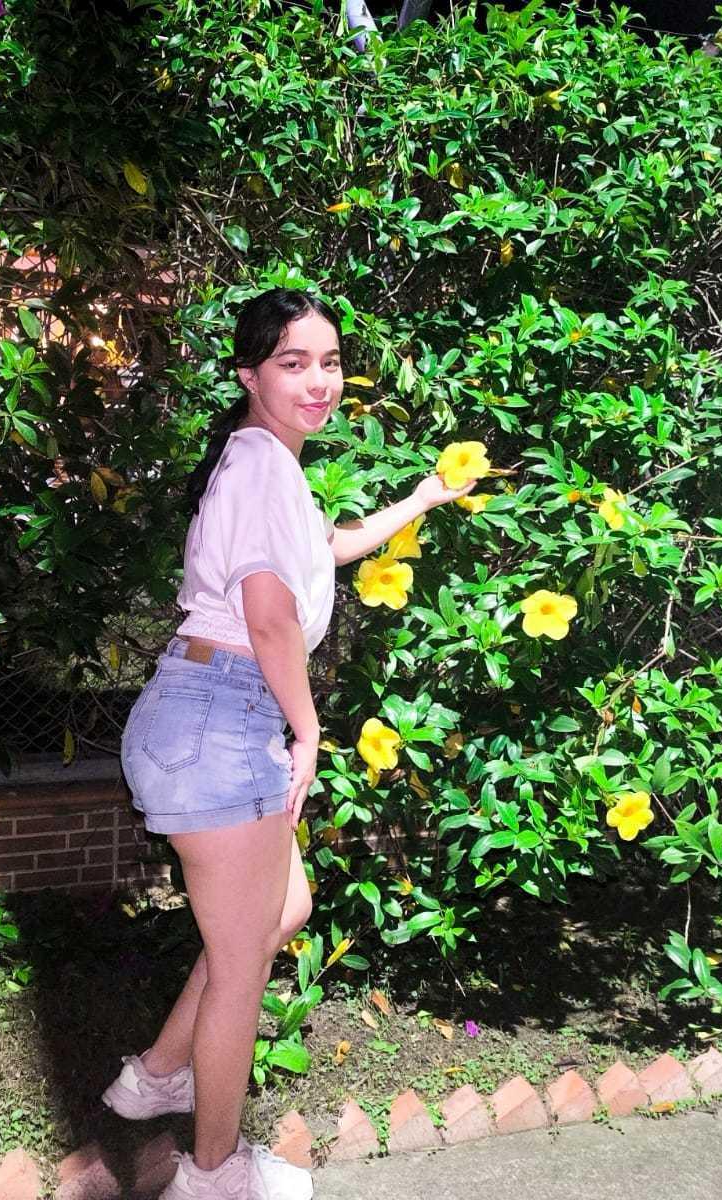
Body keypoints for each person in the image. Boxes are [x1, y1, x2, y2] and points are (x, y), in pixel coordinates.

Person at [102, 288, 475, 1199]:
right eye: (293, 363)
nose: (319, 382)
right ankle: (214, 1173)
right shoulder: (263, 467)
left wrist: (424, 497)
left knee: (285, 908)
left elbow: (329, 549)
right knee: (241, 968)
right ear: (250, 375)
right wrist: (307, 731)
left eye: (330, 363)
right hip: (223, 715)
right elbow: (269, 616)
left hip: (205, 711)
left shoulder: (265, 465)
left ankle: (157, 1077)